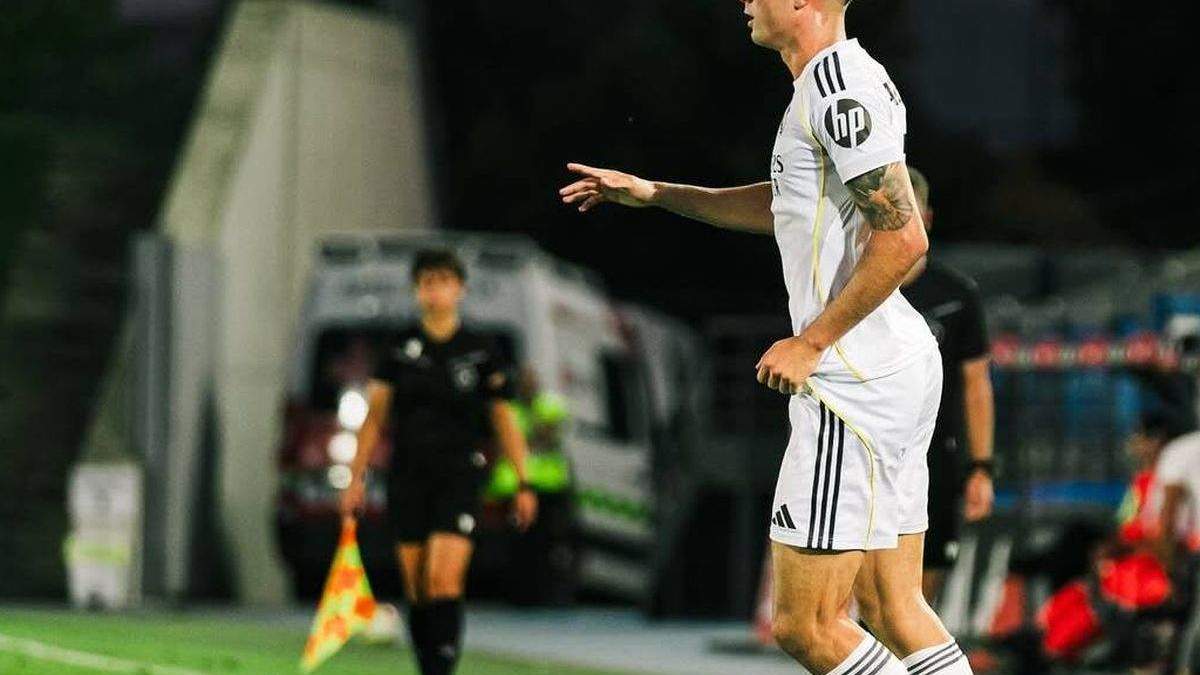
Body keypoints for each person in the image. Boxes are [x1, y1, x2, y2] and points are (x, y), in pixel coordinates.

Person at [558, 1, 970, 673]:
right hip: (889, 362)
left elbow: (904, 237)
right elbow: (785, 200)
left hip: (853, 377)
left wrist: (811, 341)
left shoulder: (838, 89)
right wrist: (658, 193)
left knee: (806, 625)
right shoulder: (833, 82)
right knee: (894, 607)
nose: (745, 1)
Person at [339, 249, 538, 675]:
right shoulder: (399, 347)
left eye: (444, 281)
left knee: (443, 580)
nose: (435, 290)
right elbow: (374, 418)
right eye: (427, 282)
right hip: (408, 476)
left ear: (460, 289)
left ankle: (441, 670)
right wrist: (355, 477)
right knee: (417, 589)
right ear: (416, 290)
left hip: (459, 477)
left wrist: (525, 482)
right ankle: (428, 665)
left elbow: (504, 420)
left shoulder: (481, 350)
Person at [899, 167, 995, 605]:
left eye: (911, 213)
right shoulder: (853, 287)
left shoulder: (956, 294)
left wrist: (981, 467)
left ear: (928, 218)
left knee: (923, 588)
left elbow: (977, 384)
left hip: (936, 453)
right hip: (869, 452)